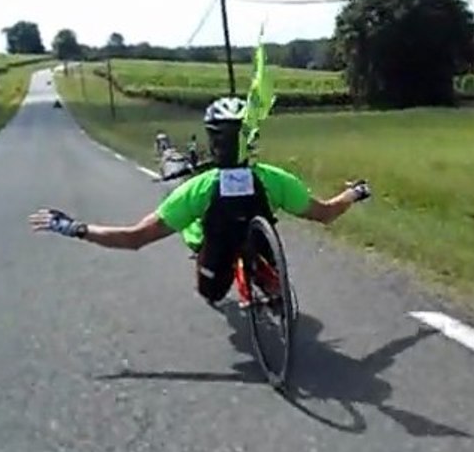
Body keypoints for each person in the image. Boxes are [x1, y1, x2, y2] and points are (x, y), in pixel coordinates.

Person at [29, 96, 371, 307]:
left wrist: (76, 228)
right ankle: (265, 279)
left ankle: (226, 259)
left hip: (214, 246)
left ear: (212, 139)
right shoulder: (273, 178)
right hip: (260, 243)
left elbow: (135, 238)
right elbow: (326, 213)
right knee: (261, 268)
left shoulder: (200, 188)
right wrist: (354, 192)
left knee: (209, 291)